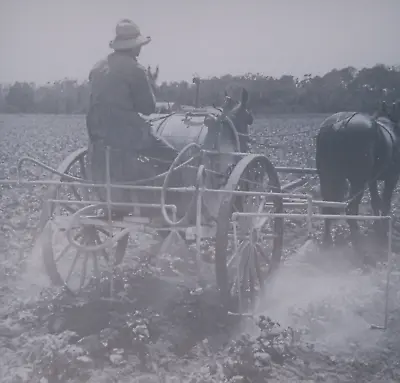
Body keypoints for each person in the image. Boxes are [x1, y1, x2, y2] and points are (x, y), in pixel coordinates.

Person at [86, 19, 159, 212]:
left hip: (97, 133)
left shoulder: (98, 66)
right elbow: (148, 108)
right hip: (126, 134)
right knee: (174, 157)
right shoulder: (136, 70)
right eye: (139, 46)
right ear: (135, 47)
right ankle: (168, 206)